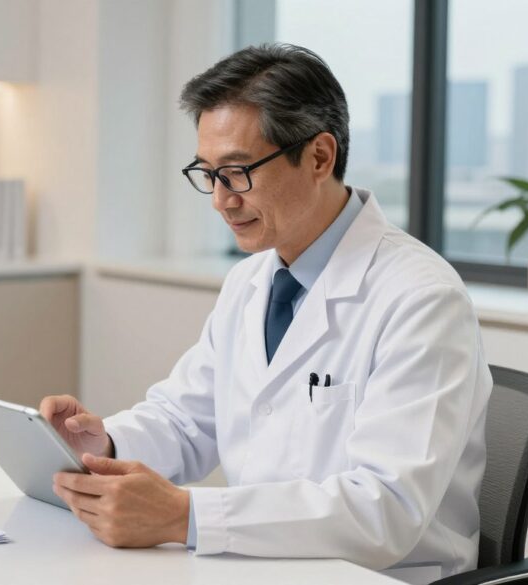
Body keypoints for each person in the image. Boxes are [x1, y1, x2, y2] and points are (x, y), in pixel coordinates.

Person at [41, 43, 491, 584]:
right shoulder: (252, 280)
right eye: (208, 174)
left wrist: (187, 517)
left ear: (320, 157)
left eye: (237, 172)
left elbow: (385, 510)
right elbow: (187, 420)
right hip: (259, 566)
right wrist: (104, 445)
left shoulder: (421, 298)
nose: (220, 200)